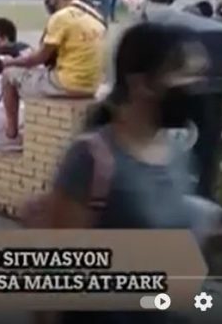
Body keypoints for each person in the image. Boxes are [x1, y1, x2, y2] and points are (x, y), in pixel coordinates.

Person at [39, 22, 210, 324]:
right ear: (141, 83)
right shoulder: (91, 159)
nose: (197, 86)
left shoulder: (178, 150)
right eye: (185, 74)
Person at [0, 0, 106, 147]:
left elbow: (38, 59)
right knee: (38, 73)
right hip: (91, 84)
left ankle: (11, 135)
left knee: (9, 75)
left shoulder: (61, 17)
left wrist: (10, 62)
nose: (45, 2)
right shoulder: (93, 13)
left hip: (69, 83)